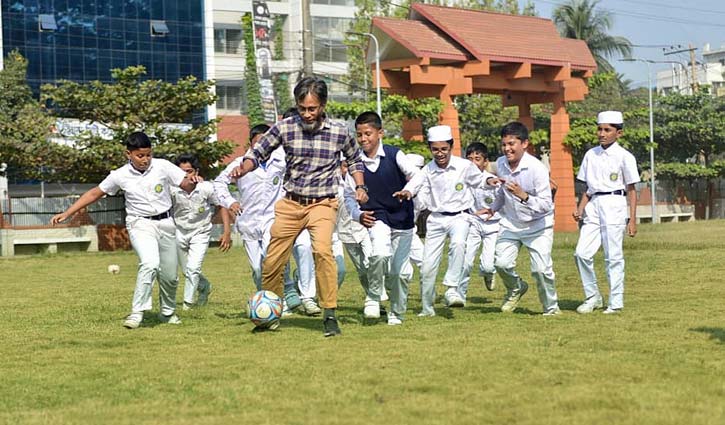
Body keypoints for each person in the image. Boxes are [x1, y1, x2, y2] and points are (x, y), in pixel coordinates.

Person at [231, 77, 367, 337]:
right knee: (271, 261)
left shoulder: (339, 131)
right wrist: (243, 168)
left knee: (323, 252)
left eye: (312, 108)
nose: (307, 114)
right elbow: (257, 152)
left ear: (323, 105)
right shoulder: (284, 128)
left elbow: (355, 160)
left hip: (323, 204)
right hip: (291, 203)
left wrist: (361, 187)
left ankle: (329, 314)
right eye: (302, 108)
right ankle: (270, 313)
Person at [50, 131, 200, 328]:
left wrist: (193, 182)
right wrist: (68, 213)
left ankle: (167, 312)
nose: (145, 160)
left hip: (166, 223)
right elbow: (95, 193)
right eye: (140, 155)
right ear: (128, 154)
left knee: (170, 276)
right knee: (150, 263)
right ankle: (137, 313)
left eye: (148, 155)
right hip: (140, 224)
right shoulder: (119, 175)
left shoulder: (162, 166)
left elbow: (186, 185)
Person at [212, 124, 318, 316]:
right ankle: (267, 302)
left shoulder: (281, 161)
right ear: (250, 144)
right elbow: (219, 183)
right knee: (257, 269)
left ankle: (281, 301)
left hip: (273, 219)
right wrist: (230, 202)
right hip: (248, 223)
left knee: (271, 259)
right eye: (257, 143)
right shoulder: (240, 163)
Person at [394, 125, 494, 317]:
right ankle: (427, 308)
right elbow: (415, 183)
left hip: (461, 216)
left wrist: (490, 181)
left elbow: (480, 179)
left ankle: (451, 288)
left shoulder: (464, 166)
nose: (439, 154)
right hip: (437, 220)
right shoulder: (428, 169)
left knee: (458, 244)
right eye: (435, 149)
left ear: (451, 147)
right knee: (428, 265)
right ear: (430, 149)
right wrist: (407, 191)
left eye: (443, 149)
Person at [479, 122, 560, 316]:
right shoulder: (500, 164)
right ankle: (516, 288)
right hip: (511, 223)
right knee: (501, 264)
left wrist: (523, 195)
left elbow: (546, 205)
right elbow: (501, 192)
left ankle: (551, 309)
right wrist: (493, 209)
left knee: (541, 270)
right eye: (504, 144)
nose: (507, 149)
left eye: (511, 144)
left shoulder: (537, 169)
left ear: (524, 143)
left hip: (538, 225)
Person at [352, 111, 419, 325]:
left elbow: (417, 175)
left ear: (380, 133)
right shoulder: (356, 163)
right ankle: (373, 296)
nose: (363, 139)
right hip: (377, 216)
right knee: (379, 254)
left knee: (400, 273)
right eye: (359, 135)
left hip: (403, 218)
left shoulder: (394, 154)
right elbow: (346, 194)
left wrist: (408, 191)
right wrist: (358, 214)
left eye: (368, 134)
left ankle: (396, 312)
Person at [573, 111, 639, 314]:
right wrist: (580, 208)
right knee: (581, 253)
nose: (602, 133)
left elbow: (631, 189)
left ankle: (615, 302)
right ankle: (593, 296)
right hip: (593, 205)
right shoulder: (590, 154)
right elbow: (589, 187)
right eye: (600, 129)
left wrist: (632, 220)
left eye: (607, 130)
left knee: (613, 255)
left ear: (618, 133)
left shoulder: (625, 157)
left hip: (615, 203)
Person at [171, 153, 231, 310]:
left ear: (196, 172)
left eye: (189, 171)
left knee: (193, 268)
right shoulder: (171, 189)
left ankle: (187, 305)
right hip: (179, 231)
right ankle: (204, 286)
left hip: (201, 232)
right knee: (186, 270)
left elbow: (221, 206)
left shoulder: (206, 188)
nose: (185, 175)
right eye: (181, 172)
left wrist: (226, 232)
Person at [459, 142, 500, 303]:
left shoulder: (492, 180)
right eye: (470, 159)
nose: (473, 163)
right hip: (473, 222)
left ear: (485, 162)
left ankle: (489, 274)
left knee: (488, 265)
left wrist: (493, 211)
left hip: (493, 225)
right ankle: (459, 295)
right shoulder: (464, 179)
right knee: (466, 261)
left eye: (477, 159)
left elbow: (490, 181)